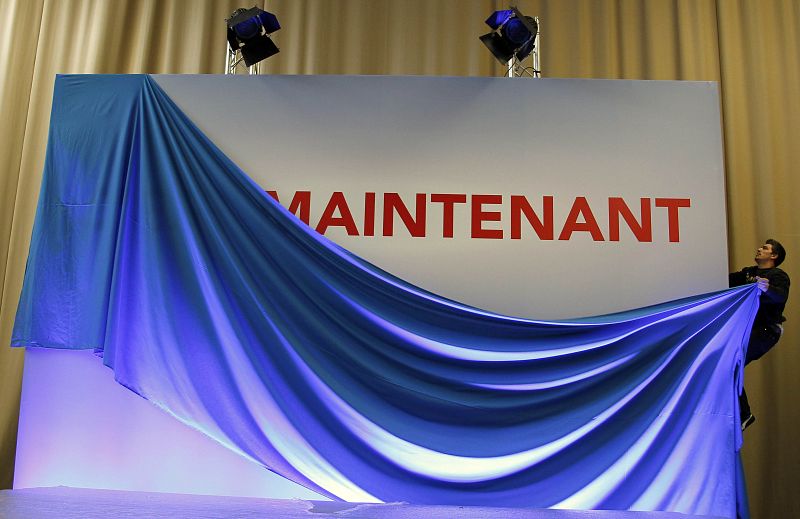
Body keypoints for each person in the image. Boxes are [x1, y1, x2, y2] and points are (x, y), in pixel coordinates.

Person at [729, 239, 790, 431]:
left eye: (765, 248)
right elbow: (723, 279)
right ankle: (741, 413)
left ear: (774, 256)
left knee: (731, 362)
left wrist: (767, 288)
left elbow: (780, 295)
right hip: (748, 329)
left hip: (767, 331)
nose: (759, 249)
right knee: (727, 364)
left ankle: (744, 413)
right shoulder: (749, 272)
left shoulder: (778, 275)